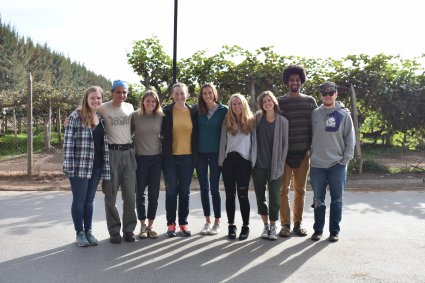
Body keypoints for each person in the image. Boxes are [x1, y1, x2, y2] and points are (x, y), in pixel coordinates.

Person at [63, 86, 111, 247]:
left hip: (96, 167)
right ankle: (80, 233)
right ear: (86, 99)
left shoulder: (101, 119)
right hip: (79, 166)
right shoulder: (75, 117)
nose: (96, 101)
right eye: (93, 98)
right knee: (79, 200)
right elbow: (68, 144)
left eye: (98, 98)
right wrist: (69, 167)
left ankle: (89, 231)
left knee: (89, 201)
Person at [310, 82, 355, 242]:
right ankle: (317, 230)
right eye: (324, 93)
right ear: (320, 95)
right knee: (318, 199)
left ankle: (334, 231)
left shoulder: (344, 114)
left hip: (337, 164)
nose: (327, 96)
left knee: (337, 199)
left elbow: (350, 139)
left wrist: (345, 160)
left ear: (336, 94)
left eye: (331, 93)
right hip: (317, 165)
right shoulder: (315, 113)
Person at [277, 65, 318, 237]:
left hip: (303, 153)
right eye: (291, 79)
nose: (294, 82)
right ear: (287, 82)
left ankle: (298, 223)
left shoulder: (309, 101)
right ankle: (285, 224)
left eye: (297, 79)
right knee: (283, 191)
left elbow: (319, 121)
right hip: (284, 154)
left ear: (301, 81)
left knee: (300, 191)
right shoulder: (280, 102)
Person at [100, 80, 137, 243]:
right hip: (112, 154)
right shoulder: (103, 107)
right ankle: (114, 231)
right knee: (111, 194)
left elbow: (135, 126)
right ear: (112, 92)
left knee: (130, 195)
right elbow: (86, 109)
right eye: (118, 92)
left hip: (129, 153)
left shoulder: (129, 107)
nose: (121, 95)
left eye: (124, 92)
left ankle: (129, 230)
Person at [218, 93, 256, 240]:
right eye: (233, 104)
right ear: (231, 106)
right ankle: (231, 225)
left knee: (243, 195)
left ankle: (245, 226)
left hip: (244, 162)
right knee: (229, 195)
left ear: (244, 104)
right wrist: (221, 162)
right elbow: (223, 143)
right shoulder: (226, 121)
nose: (236, 106)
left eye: (239, 103)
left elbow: (255, 144)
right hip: (228, 162)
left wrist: (253, 161)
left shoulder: (251, 122)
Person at [161, 82, 197, 237]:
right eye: (176, 93)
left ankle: (183, 223)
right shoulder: (166, 112)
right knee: (171, 192)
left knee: (184, 192)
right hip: (170, 158)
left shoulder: (193, 111)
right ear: (172, 95)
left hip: (188, 158)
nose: (179, 96)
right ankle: (171, 224)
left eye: (182, 93)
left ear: (187, 94)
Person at [252, 91, 288, 240]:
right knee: (260, 197)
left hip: (275, 165)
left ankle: (273, 226)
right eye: (264, 101)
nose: (267, 103)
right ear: (261, 105)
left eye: (269, 100)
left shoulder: (283, 121)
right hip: (259, 164)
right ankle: (265, 227)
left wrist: (280, 164)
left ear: (274, 102)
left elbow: (285, 146)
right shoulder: (257, 118)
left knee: (274, 197)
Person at [193, 83, 228, 235]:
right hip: (200, 154)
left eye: (210, 93)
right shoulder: (197, 110)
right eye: (204, 93)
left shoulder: (224, 110)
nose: (207, 96)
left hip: (216, 154)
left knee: (214, 188)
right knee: (204, 188)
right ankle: (207, 221)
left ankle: (217, 221)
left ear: (214, 93)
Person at [131, 90, 163, 239]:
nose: (150, 104)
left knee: (154, 194)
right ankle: (142, 225)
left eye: (153, 101)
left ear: (156, 103)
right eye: (148, 101)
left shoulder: (161, 116)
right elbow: (126, 132)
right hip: (140, 159)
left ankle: (151, 225)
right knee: (140, 194)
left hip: (156, 160)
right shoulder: (135, 116)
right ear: (143, 101)